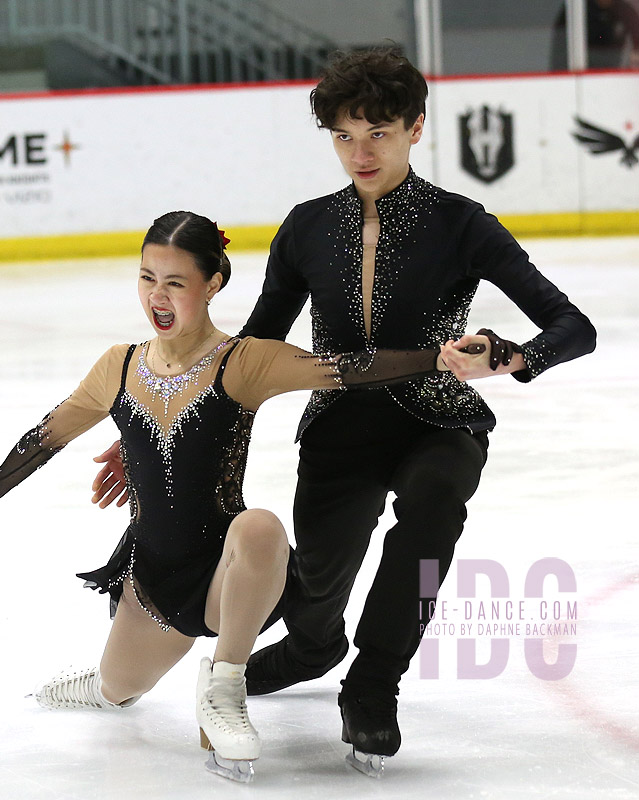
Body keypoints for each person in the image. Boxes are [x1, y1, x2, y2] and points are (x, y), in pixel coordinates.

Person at [92, 47, 597, 778]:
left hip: (437, 419)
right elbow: (252, 351)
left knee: (433, 511)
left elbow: (572, 327)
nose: (360, 154)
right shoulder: (307, 228)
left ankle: (374, 682)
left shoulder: (461, 223)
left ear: (415, 128)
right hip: (339, 427)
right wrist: (163, 424)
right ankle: (311, 649)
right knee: (317, 590)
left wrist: (512, 355)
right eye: (343, 136)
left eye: (378, 134)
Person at [0, 210, 458, 783]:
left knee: (260, 526)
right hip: (152, 583)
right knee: (117, 689)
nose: (157, 296)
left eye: (175, 282)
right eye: (147, 278)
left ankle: (224, 688)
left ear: (212, 284)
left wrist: (439, 358)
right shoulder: (119, 366)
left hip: (229, 577)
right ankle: (99, 685)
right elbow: (47, 435)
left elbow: (347, 369)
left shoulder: (244, 362)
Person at [551, 0, 639, 70]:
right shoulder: (577, 10)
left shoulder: (625, 11)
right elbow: (559, 46)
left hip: (615, 68)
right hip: (583, 66)